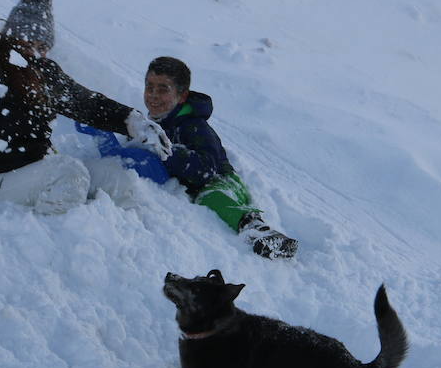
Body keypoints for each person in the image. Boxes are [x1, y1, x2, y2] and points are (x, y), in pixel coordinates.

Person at [0, 0, 171, 214]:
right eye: (30, 44)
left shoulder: (43, 73)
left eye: (43, 46)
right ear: (13, 39)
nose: (37, 52)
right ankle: (48, 240)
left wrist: (130, 120)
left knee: (114, 177)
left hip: (34, 175)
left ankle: (125, 241)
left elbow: (84, 103)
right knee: (69, 174)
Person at [81, 56, 297, 259]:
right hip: (192, 183)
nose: (153, 95)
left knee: (211, 198)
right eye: (149, 87)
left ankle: (258, 230)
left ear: (182, 95)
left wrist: (167, 151)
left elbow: (207, 168)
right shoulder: (156, 123)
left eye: (162, 89)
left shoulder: (194, 126)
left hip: (222, 182)